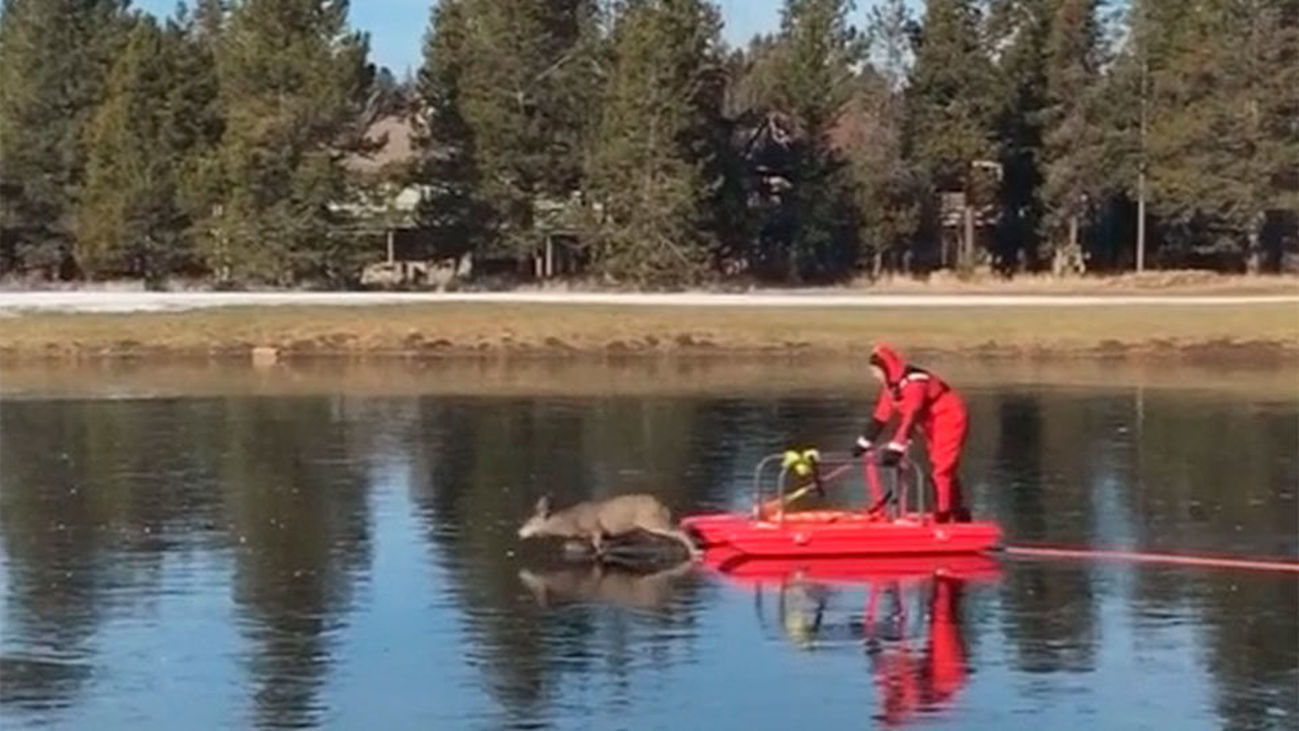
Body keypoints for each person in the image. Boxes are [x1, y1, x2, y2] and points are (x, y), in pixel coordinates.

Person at [851, 344, 971, 523]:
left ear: (884, 369)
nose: (874, 376)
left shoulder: (915, 383)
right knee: (941, 465)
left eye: (875, 372)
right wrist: (864, 442)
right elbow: (881, 415)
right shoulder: (891, 387)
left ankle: (944, 514)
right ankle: (957, 511)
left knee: (942, 467)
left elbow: (911, 415)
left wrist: (898, 446)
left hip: (949, 418)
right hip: (930, 422)